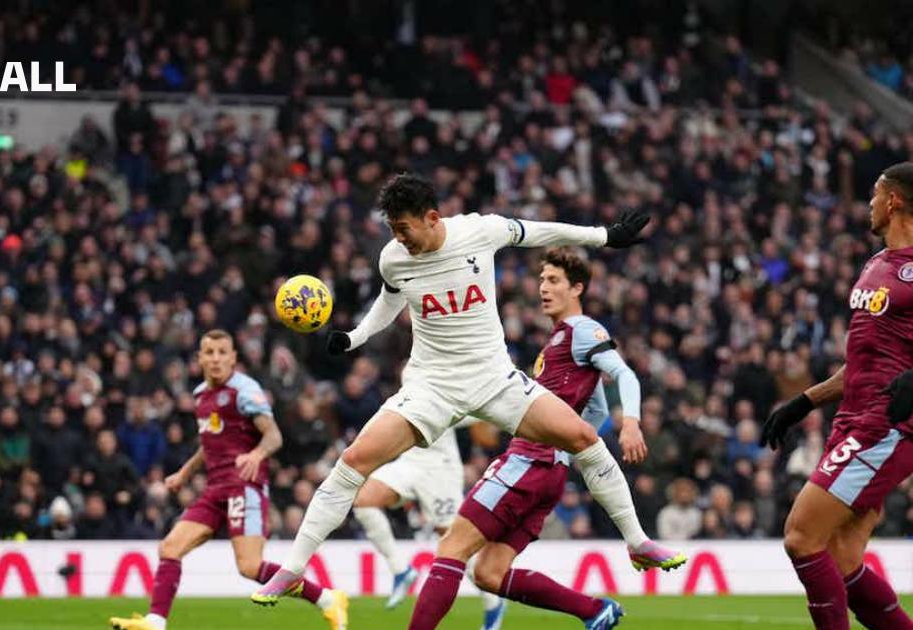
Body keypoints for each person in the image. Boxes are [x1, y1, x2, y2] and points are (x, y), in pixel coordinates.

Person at [253, 173, 682, 604]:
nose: (397, 239)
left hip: (493, 377)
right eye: (391, 230)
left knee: (583, 438)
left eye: (403, 228)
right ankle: (292, 570)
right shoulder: (393, 258)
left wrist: (604, 236)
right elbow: (390, 298)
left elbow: (538, 232)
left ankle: (637, 542)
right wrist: (354, 338)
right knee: (354, 460)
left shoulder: (480, 230)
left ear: (432, 218)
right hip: (430, 385)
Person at [407, 248, 663, 629]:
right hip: (548, 473)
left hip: (528, 462)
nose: (544, 287)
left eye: (554, 280)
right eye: (542, 279)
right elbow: (590, 412)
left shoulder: (583, 331)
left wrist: (631, 422)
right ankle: (595, 611)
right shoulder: (560, 341)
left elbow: (625, 375)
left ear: (577, 288)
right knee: (489, 574)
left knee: (450, 549)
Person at [759, 162, 913, 630]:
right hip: (853, 418)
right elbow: (864, 361)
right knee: (841, 557)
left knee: (801, 536)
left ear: (894, 202)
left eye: (873, 194)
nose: (867, 204)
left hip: (886, 424)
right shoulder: (874, 266)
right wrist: (803, 402)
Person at [109, 330, 348, 630]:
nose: (216, 358)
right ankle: (155, 622)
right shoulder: (200, 396)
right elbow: (208, 443)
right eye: (209, 352)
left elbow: (273, 435)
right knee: (169, 548)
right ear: (199, 359)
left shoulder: (245, 390)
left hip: (244, 488)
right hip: (215, 489)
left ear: (234, 357)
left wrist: (256, 455)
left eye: (223, 352)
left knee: (249, 567)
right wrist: (184, 473)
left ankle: (326, 598)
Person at [351, 423, 508, 630]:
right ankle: (401, 570)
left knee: (455, 543)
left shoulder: (453, 393)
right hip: (410, 461)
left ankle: (493, 603)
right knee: (363, 501)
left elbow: (472, 407)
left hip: (440, 470)